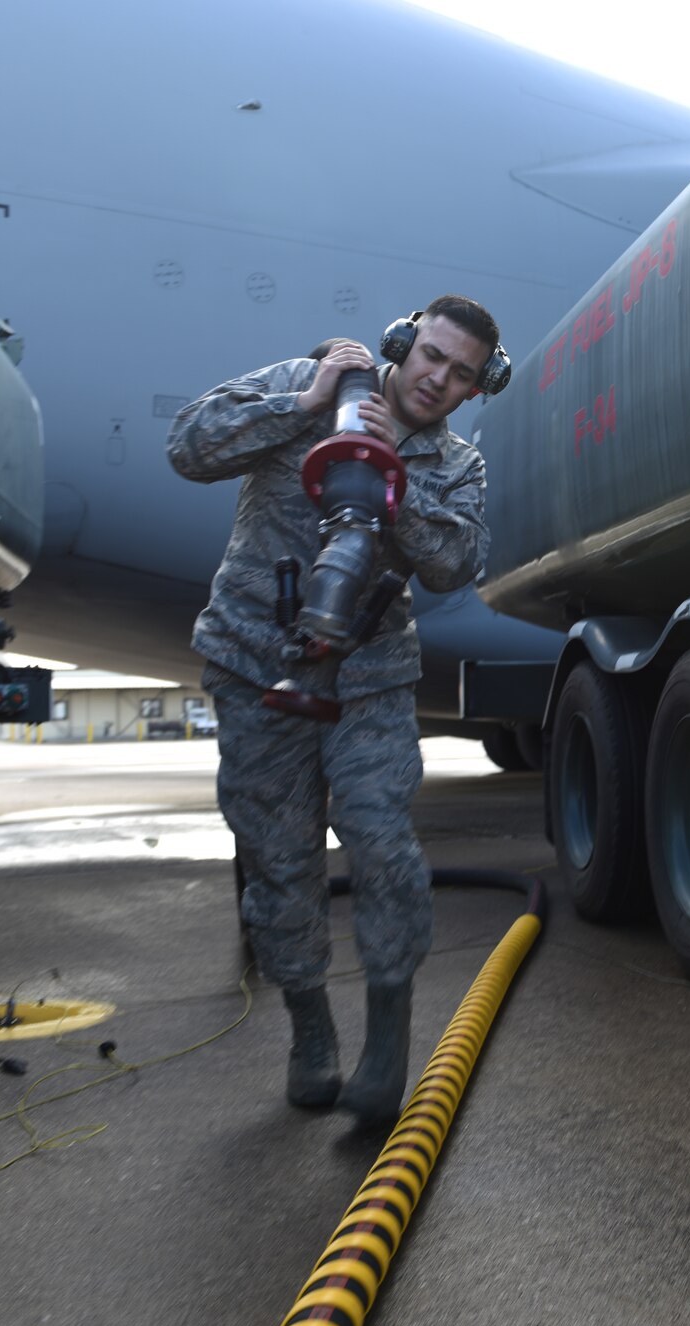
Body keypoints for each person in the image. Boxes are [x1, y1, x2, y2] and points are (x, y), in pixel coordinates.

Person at [166, 295, 497, 1121]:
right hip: (255, 661)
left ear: (476, 386)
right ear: (403, 342)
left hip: (371, 674)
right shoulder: (310, 381)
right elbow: (189, 445)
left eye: (460, 374)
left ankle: (387, 1036)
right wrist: (307, 407)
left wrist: (394, 479)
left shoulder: (457, 463)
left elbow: (455, 562)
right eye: (430, 356)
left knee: (382, 839)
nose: (437, 379)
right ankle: (310, 1027)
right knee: (279, 857)